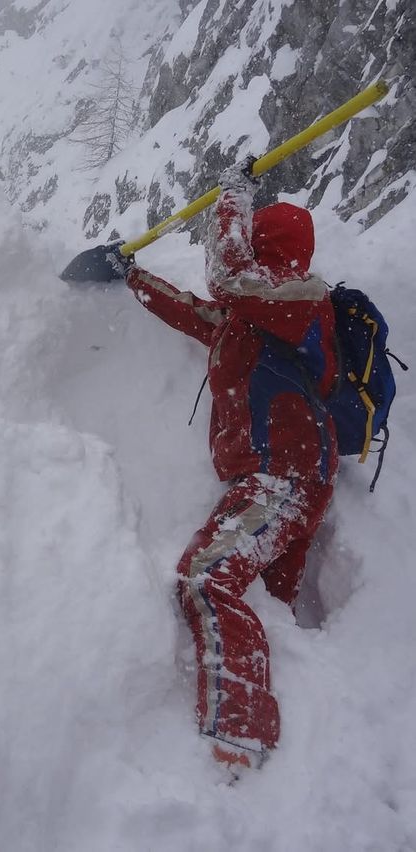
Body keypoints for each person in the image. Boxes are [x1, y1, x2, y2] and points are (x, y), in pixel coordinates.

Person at [125, 159, 339, 773]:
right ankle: (288, 774)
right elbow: (194, 311)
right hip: (274, 479)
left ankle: (241, 732)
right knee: (267, 607)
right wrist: (130, 277)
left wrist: (232, 199)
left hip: (284, 480)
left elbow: (224, 277)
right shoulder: (253, 316)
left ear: (269, 244)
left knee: (206, 577)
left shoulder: (299, 298)